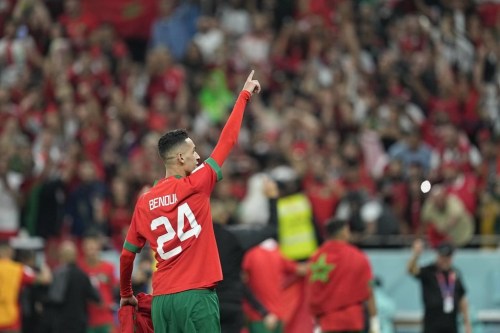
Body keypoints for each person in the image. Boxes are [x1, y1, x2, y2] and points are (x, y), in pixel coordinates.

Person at [119, 70, 261, 332]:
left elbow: (127, 255)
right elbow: (227, 140)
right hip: (196, 297)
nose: (198, 157)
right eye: (193, 151)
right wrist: (243, 97)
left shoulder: (144, 202)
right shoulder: (197, 184)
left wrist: (126, 292)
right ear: (181, 159)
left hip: (162, 301)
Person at [213, 177, 281, 333]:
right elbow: (271, 229)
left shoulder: (193, 240)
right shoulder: (236, 236)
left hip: (205, 305)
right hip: (232, 305)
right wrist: (272, 198)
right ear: (224, 217)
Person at [306, 218, 380, 333]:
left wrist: (316, 322)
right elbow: (369, 289)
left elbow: (313, 291)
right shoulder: (358, 257)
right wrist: (375, 321)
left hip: (328, 322)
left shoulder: (316, 259)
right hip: (353, 320)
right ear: (344, 232)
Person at [407, 239, 472, 333]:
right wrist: (415, 255)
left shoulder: (455, 273)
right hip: (432, 325)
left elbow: (462, 299)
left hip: (451, 325)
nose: (445, 260)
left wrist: (467, 324)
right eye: (442, 257)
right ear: (437, 256)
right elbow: (411, 270)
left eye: (447, 257)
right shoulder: (429, 271)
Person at [42, 240, 101, 333]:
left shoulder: (57, 274)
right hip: (79, 323)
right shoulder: (83, 276)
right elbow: (96, 298)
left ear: (61, 256)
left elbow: (53, 299)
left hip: (60, 324)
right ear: (75, 256)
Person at [0, 240, 51, 333]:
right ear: (10, 252)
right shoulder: (18, 269)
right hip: (10, 319)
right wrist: (42, 262)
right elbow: (45, 279)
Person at [79, 232, 118, 333]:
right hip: (88, 319)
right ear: (83, 249)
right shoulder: (80, 269)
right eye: (88, 249)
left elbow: (118, 288)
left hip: (106, 318)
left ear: (98, 248)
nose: (91, 252)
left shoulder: (109, 267)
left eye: (93, 248)